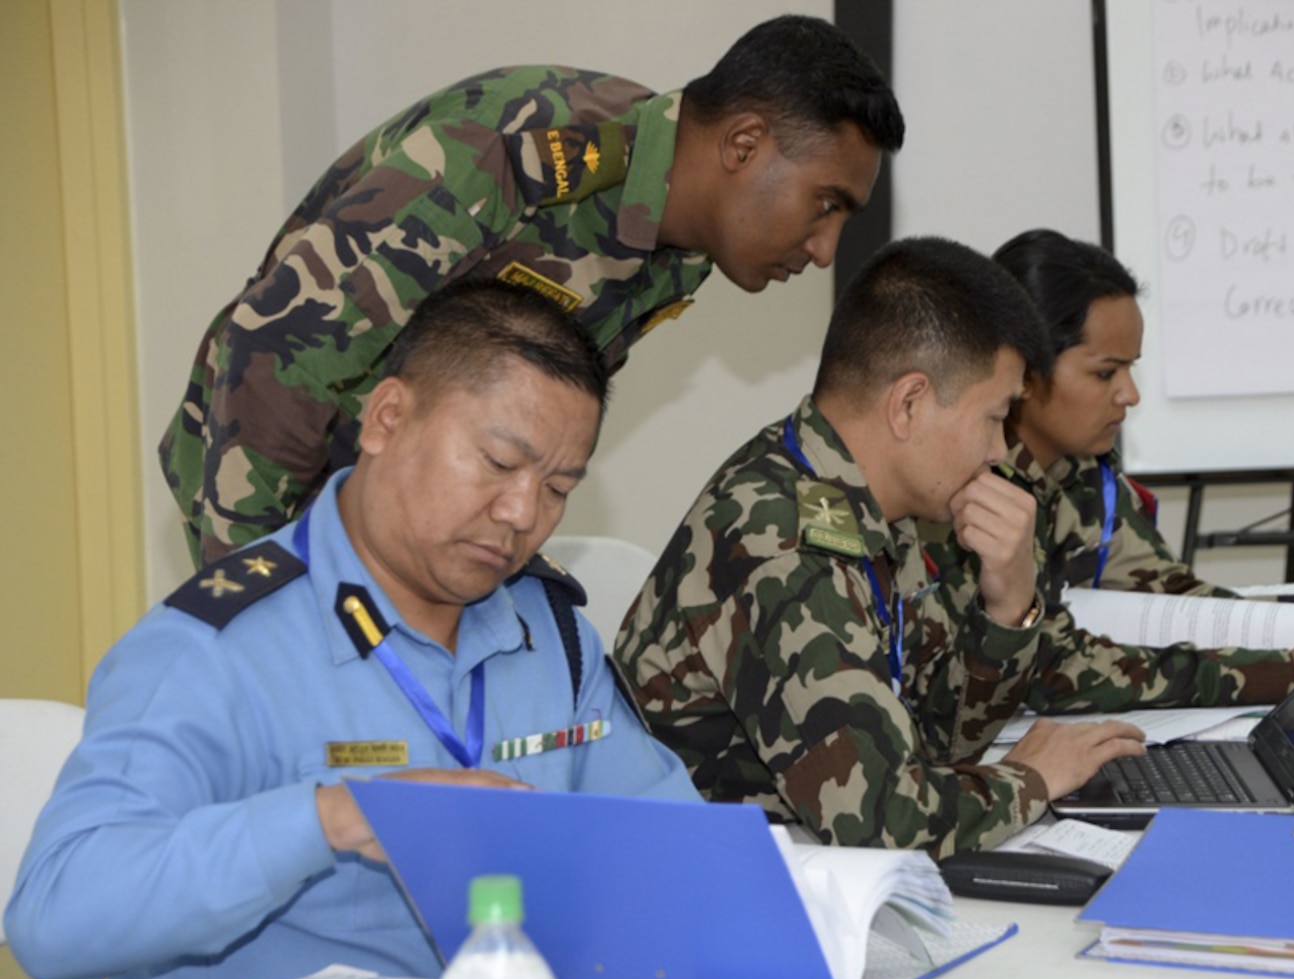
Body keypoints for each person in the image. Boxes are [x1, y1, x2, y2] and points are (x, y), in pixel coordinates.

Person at [6, 280, 699, 979]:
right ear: (388, 418)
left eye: (558, 486)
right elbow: (56, 916)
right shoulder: (213, 647)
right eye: (499, 463)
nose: (523, 514)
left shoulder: (548, 635)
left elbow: (676, 853)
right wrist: (333, 815)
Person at [160, 14, 905, 567]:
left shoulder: (681, 246)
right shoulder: (510, 155)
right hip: (266, 490)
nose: (824, 249)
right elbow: (275, 357)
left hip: (398, 524)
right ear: (743, 145)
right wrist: (259, 592)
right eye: (827, 203)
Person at [613, 237, 1146, 858]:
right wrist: (1034, 778)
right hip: (707, 885)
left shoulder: (868, 505)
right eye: (994, 418)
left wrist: (1009, 610)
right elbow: (883, 823)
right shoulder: (783, 538)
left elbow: (935, 741)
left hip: (798, 867)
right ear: (910, 404)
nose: (1000, 451)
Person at [924, 228, 1294, 717]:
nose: (1130, 395)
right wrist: (1283, 672)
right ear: (1024, 369)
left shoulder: (1081, 471)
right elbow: (1053, 669)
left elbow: (1178, 599)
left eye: (1131, 368)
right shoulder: (967, 487)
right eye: (1105, 373)